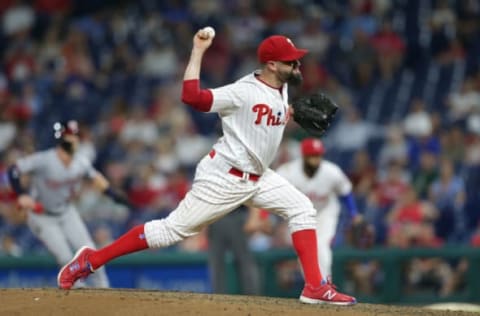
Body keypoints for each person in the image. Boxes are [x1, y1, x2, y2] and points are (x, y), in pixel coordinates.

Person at [57, 28, 356, 305]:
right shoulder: (243, 91)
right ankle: (91, 260)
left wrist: (287, 113)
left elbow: (262, 119)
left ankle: (315, 286)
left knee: (302, 208)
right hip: (224, 177)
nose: (298, 66)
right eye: (291, 62)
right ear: (272, 65)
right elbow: (192, 97)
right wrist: (198, 50)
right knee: (169, 232)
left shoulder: (281, 88)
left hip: (258, 176)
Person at [7, 120, 129, 288]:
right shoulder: (45, 159)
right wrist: (20, 194)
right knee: (65, 258)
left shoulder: (80, 161)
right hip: (41, 215)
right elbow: (13, 170)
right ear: (62, 139)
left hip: (66, 212)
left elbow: (96, 178)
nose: (75, 140)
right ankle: (79, 298)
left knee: (91, 252)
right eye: (71, 137)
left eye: (76, 137)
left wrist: (114, 195)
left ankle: (103, 290)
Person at [276, 138, 363, 277]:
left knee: (321, 245)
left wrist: (354, 214)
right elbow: (270, 190)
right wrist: (263, 216)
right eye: (312, 156)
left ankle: (325, 283)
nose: (316, 159)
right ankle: (313, 286)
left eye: (318, 155)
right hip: (299, 214)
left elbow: (345, 192)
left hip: (325, 212)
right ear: (304, 156)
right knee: (304, 249)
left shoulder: (332, 171)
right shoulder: (288, 172)